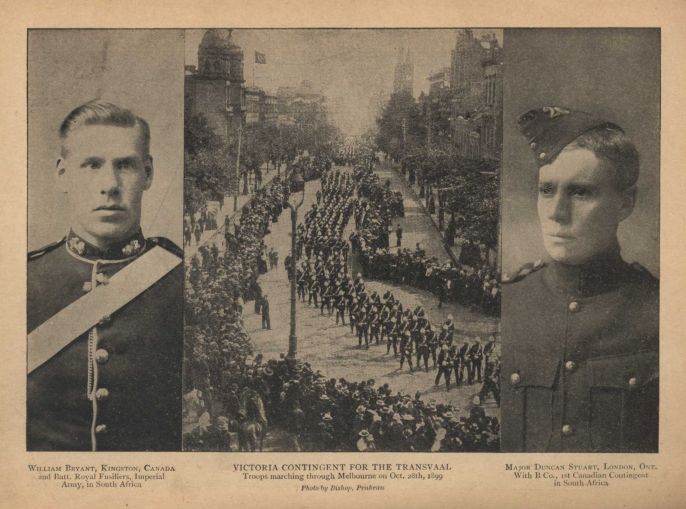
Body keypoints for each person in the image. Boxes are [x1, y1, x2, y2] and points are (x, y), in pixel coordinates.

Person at [27, 100, 183, 451]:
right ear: (62, 175)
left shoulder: (182, 279)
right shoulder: (20, 282)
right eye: (92, 165)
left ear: (149, 173)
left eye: (125, 165)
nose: (109, 184)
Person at [501, 107, 659, 453]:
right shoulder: (509, 302)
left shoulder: (662, 312)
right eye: (546, 190)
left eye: (580, 193)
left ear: (625, 204)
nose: (556, 212)